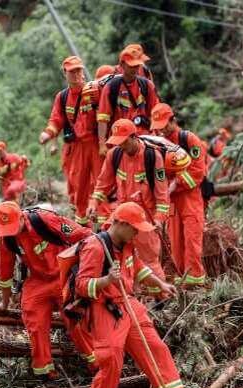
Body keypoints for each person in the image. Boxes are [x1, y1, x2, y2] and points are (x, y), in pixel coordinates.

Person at [74, 201, 188, 388]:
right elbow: (81, 285)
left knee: (157, 349)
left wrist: (161, 284)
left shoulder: (127, 244)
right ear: (120, 223)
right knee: (111, 359)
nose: (137, 232)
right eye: (134, 228)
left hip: (130, 304)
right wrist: (107, 280)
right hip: (107, 309)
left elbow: (137, 267)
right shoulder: (96, 247)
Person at [0, 201, 93, 376]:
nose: (12, 231)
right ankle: (46, 373)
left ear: (22, 217)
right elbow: (5, 274)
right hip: (38, 280)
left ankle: (97, 362)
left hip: (64, 275)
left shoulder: (44, 219)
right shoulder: (7, 238)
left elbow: (84, 235)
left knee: (75, 320)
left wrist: (87, 269)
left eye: (14, 226)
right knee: (34, 320)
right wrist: (4, 303)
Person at [87, 119, 169, 283]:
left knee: (149, 260)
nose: (121, 146)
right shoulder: (114, 154)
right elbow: (103, 183)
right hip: (121, 216)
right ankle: (129, 296)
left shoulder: (152, 157)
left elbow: (162, 196)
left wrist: (159, 220)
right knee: (114, 254)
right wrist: (93, 203)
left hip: (144, 219)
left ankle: (161, 300)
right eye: (118, 142)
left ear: (134, 137)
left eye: (124, 142)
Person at [39, 56, 102, 226]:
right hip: (76, 147)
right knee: (78, 187)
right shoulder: (63, 97)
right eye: (72, 71)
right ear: (64, 73)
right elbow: (56, 120)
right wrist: (48, 134)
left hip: (97, 145)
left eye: (79, 70)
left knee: (102, 184)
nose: (76, 74)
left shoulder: (94, 91)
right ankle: (83, 229)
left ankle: (107, 227)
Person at [150, 103, 208, 288]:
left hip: (190, 199)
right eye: (159, 127)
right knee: (175, 242)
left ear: (173, 120)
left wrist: (176, 183)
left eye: (165, 125)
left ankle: (196, 282)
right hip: (171, 200)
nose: (163, 131)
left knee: (192, 240)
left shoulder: (188, 139)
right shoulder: (158, 143)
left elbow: (198, 172)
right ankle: (182, 281)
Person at [97, 45, 161, 156]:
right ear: (122, 65)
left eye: (137, 66)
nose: (135, 69)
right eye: (131, 66)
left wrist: (158, 134)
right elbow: (103, 118)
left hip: (144, 137)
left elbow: (154, 112)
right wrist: (102, 144)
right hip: (121, 140)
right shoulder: (111, 87)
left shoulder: (146, 85)